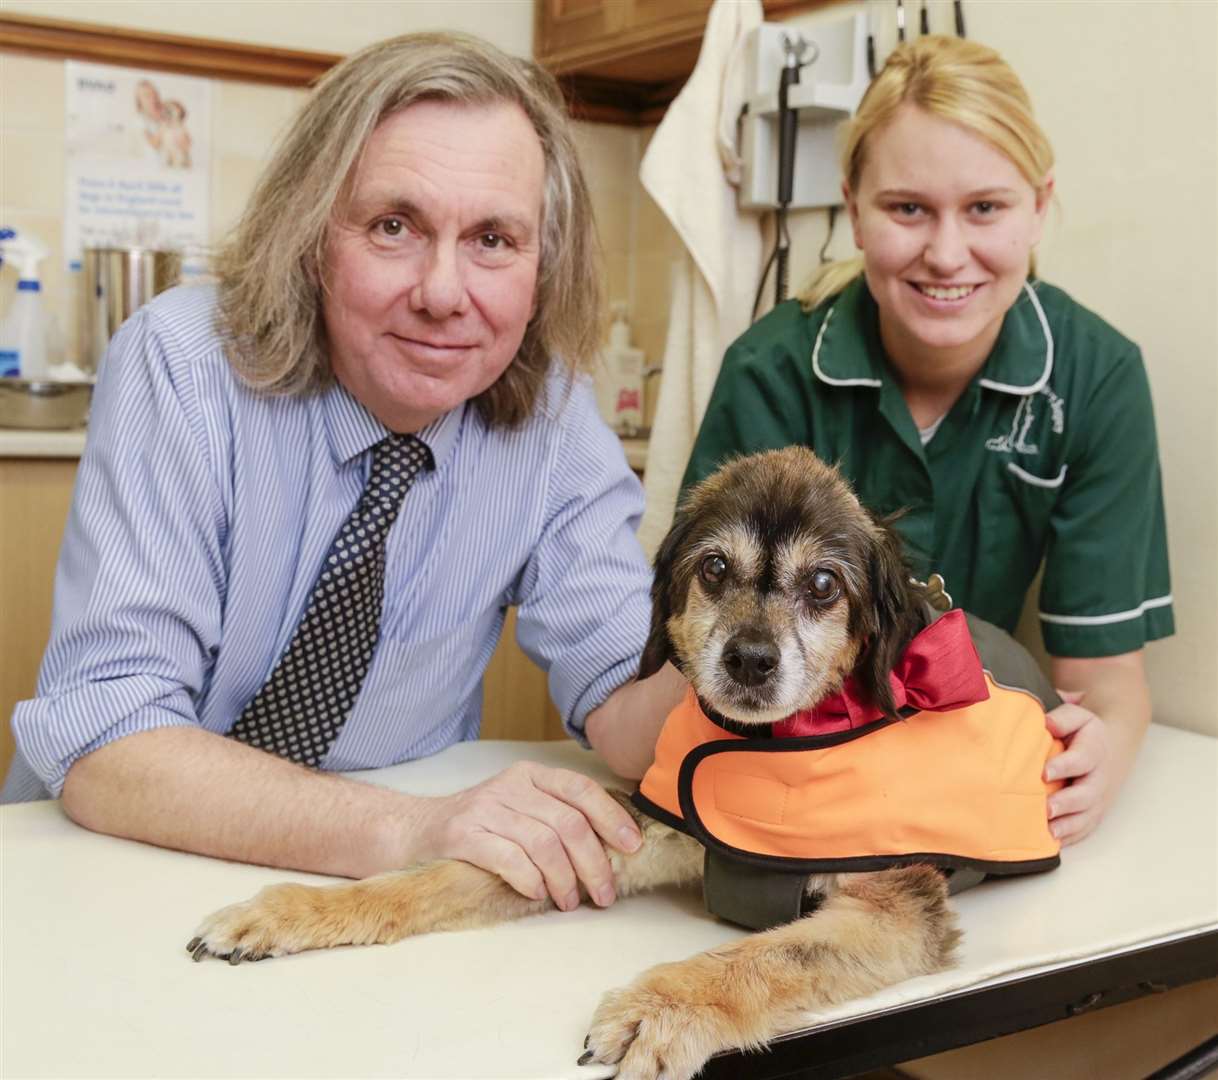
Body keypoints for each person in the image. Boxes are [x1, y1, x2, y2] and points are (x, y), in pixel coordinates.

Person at [3, 33, 685, 915]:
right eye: (394, 226)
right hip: (114, 870)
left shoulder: (553, 416)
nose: (443, 292)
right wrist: (412, 830)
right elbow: (109, 746)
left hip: (364, 909)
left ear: (541, 265)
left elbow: (625, 708)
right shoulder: (180, 363)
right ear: (311, 232)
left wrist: (757, 649)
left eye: (492, 238)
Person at [683, 35, 1172, 846]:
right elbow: (710, 644)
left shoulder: (1096, 378)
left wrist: (1106, 750)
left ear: (1039, 205)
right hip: (795, 753)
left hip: (973, 746)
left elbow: (1108, 684)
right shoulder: (770, 372)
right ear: (854, 208)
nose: (947, 253)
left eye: (986, 207)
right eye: (907, 208)